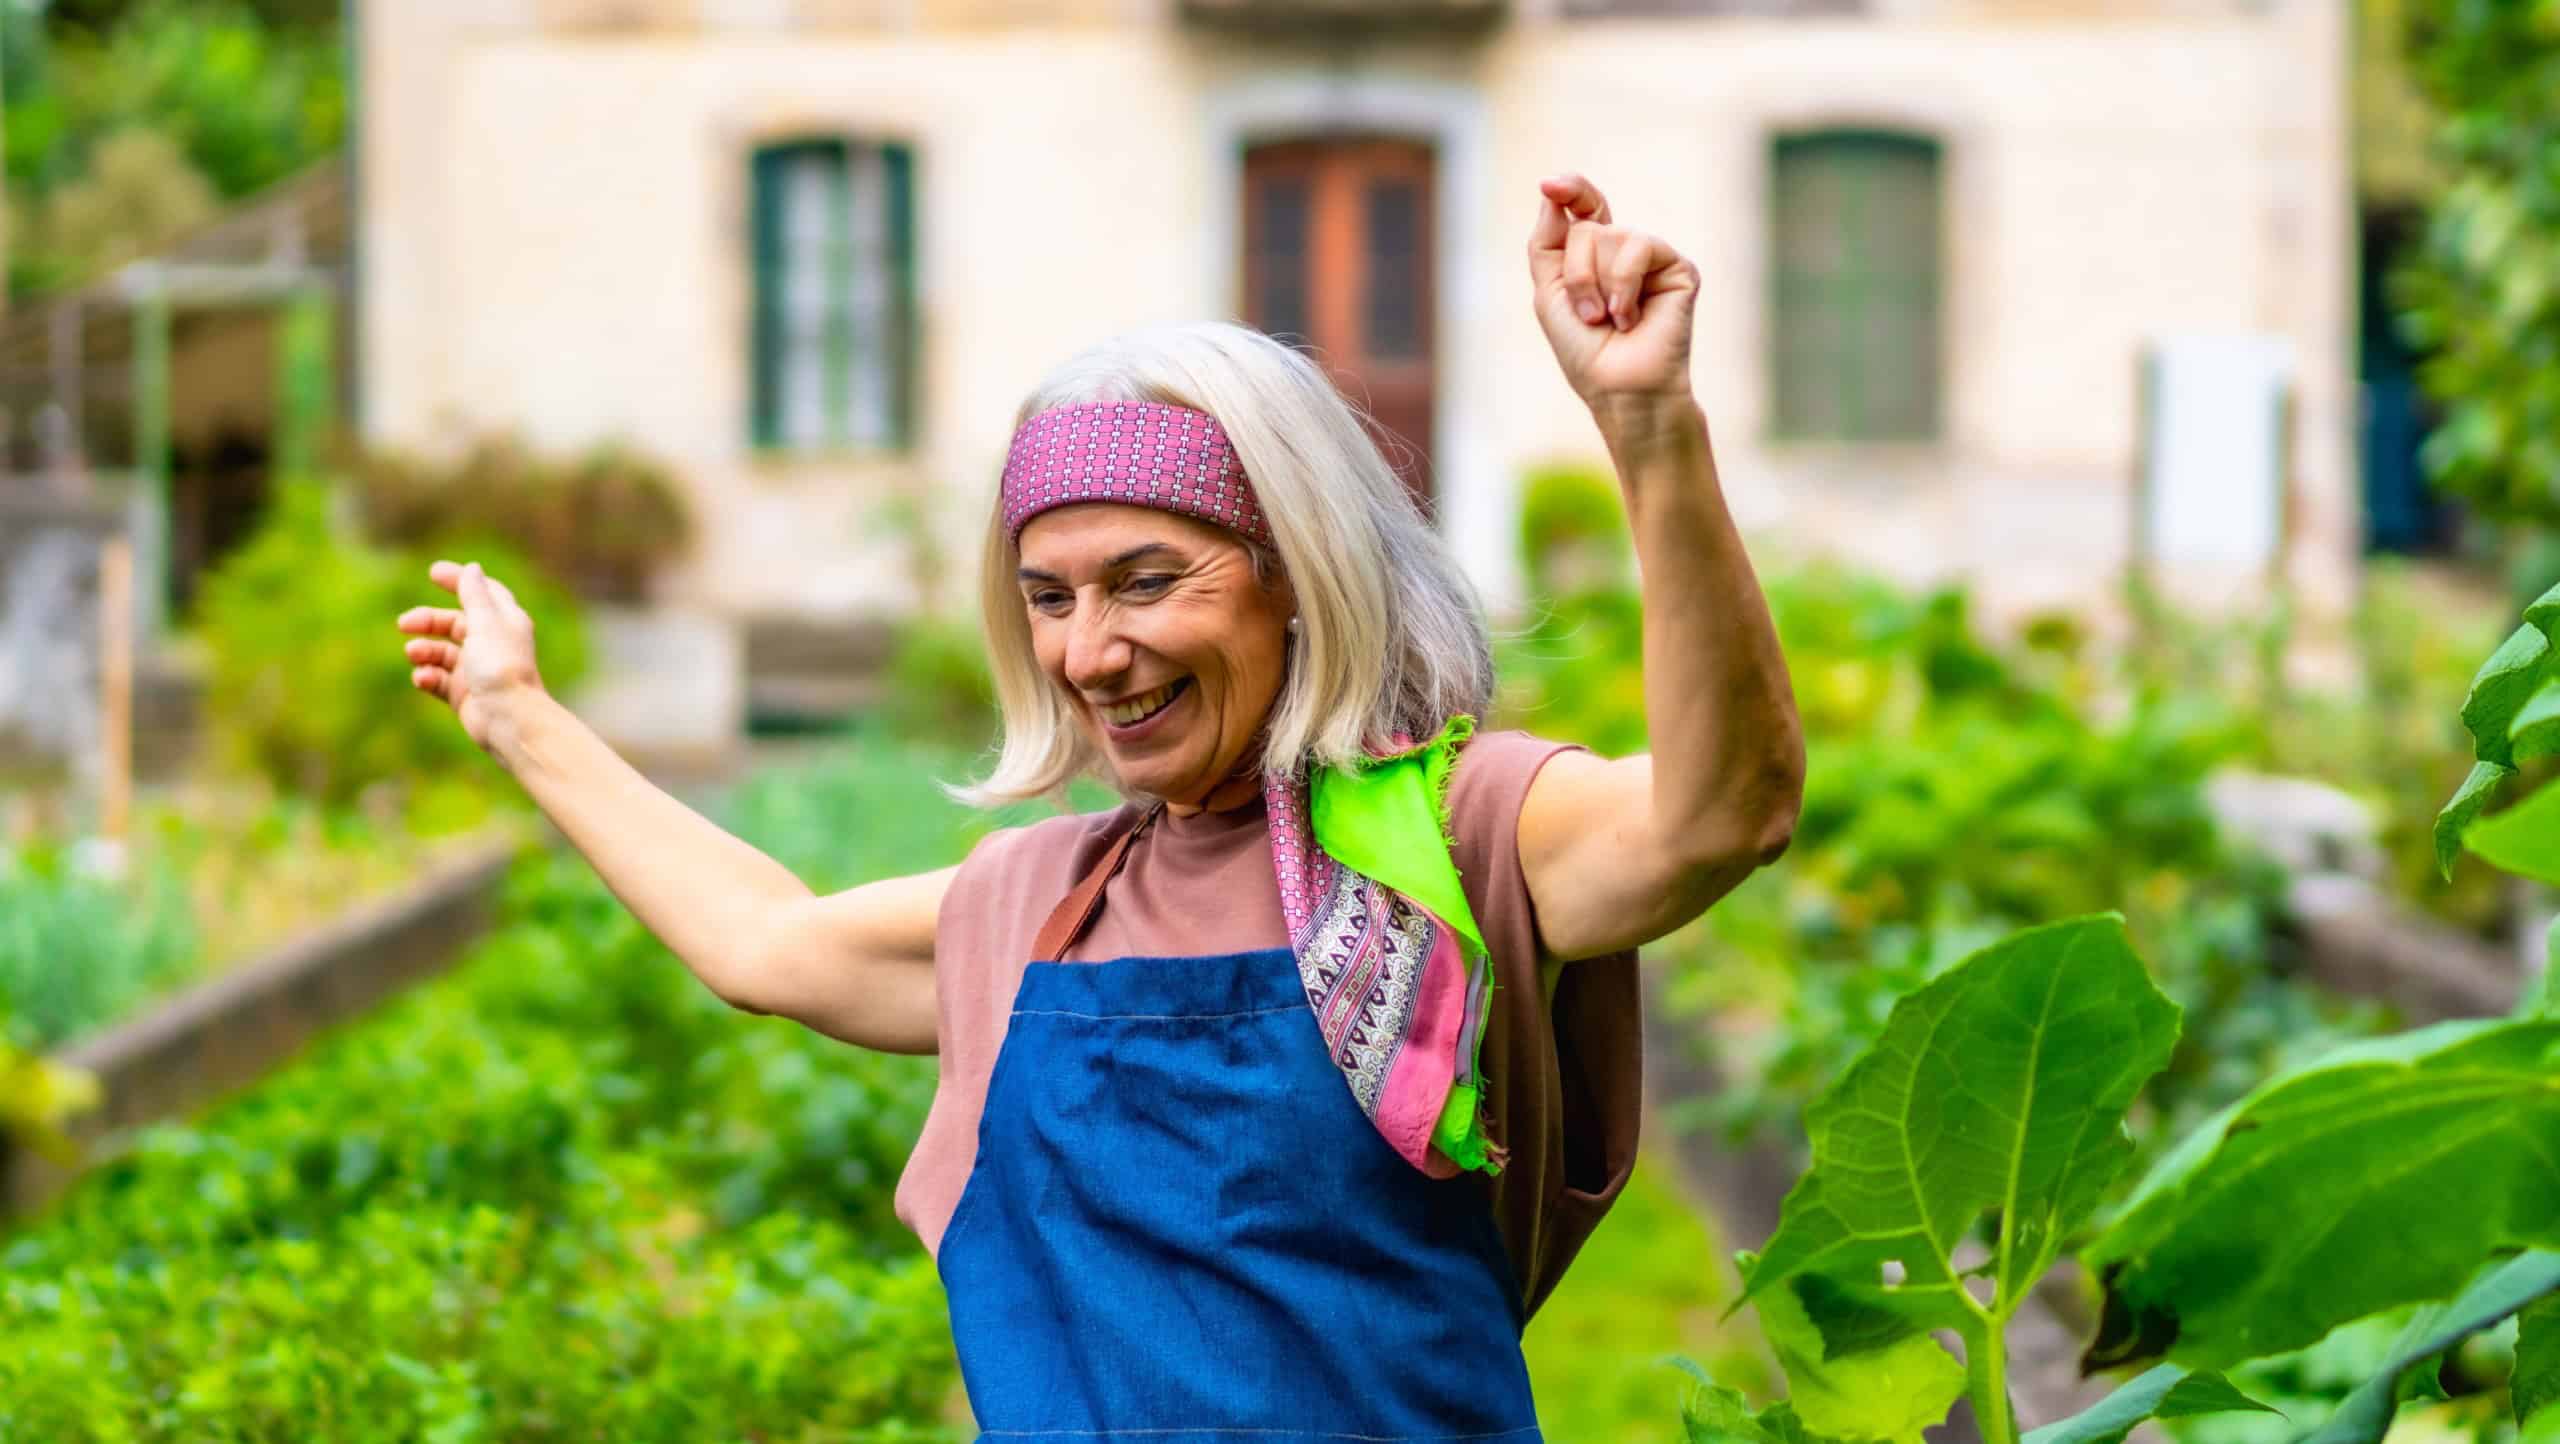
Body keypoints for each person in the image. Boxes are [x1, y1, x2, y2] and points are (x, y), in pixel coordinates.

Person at [396, 172, 1801, 1440]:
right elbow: (765, 943)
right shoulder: (1033, 912)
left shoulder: (1463, 831)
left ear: (1296, 577)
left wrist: (1647, 425)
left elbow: (1719, 814)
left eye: (1144, 581)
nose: (1087, 652)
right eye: (1048, 599)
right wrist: (522, 719)